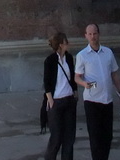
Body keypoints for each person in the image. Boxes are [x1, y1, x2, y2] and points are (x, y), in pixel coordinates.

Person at [75, 23, 120, 160]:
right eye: (90, 34)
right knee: (95, 136)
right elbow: (76, 77)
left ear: (99, 34)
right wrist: (84, 83)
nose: (93, 37)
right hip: (92, 100)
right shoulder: (82, 55)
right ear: (86, 36)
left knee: (107, 136)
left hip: (107, 99)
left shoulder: (108, 52)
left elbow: (114, 74)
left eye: (95, 33)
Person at [42, 31, 77, 160]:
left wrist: (75, 92)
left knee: (69, 137)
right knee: (56, 137)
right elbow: (46, 82)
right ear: (61, 44)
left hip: (69, 99)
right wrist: (50, 100)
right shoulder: (50, 60)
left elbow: (72, 76)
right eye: (66, 42)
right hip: (56, 101)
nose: (68, 44)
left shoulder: (68, 58)